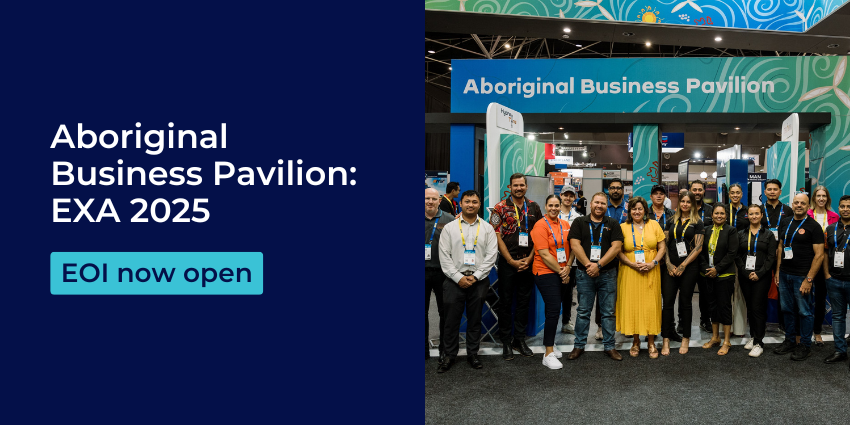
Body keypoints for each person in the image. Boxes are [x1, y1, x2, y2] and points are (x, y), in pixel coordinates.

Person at [437, 190, 498, 373]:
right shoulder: (449, 228)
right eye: (467, 201)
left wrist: (476, 276)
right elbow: (444, 257)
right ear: (461, 204)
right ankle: (449, 355)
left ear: (479, 205)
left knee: (474, 319)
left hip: (478, 281)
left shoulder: (487, 228)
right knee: (451, 321)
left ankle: (473, 354)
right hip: (453, 280)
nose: (470, 205)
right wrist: (459, 277)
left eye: (474, 201)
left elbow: (491, 255)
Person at [490, 173, 543, 360]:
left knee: (523, 302)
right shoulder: (499, 208)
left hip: (528, 261)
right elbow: (496, 237)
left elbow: (539, 236)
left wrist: (529, 259)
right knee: (505, 303)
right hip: (507, 262)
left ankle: (519, 340)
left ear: (526, 186)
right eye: (515, 185)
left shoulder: (534, 207)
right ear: (510, 187)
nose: (518, 188)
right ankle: (506, 341)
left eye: (521, 185)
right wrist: (511, 261)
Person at [567, 192, 625, 361]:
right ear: (590, 204)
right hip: (585, 274)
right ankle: (578, 345)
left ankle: (609, 346)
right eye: (597, 202)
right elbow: (574, 245)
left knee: (608, 312)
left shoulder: (613, 223)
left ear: (606, 206)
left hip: (608, 274)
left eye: (603, 203)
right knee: (583, 311)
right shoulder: (579, 222)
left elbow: (616, 247)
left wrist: (598, 265)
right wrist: (589, 265)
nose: (599, 206)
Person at [772, 192, 825, 361]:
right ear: (792, 204)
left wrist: (809, 279)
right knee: (787, 309)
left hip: (802, 276)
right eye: (796, 203)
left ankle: (805, 345)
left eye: (803, 203)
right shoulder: (785, 222)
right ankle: (789, 340)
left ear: (808, 206)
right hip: (785, 274)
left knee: (804, 312)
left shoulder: (814, 226)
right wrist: (779, 271)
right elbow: (780, 247)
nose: (799, 205)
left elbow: (819, 255)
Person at [616, 197, 666, 359]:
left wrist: (653, 263)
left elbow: (662, 246)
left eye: (640, 208)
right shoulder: (623, 227)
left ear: (645, 210)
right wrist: (631, 264)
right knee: (633, 305)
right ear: (629, 211)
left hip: (651, 271)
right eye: (633, 209)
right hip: (630, 271)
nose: (637, 212)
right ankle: (636, 341)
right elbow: (618, 251)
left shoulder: (654, 225)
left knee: (650, 305)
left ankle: (651, 342)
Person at [531, 195, 574, 369]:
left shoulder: (565, 225)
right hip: (545, 271)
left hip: (564, 271)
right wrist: (561, 271)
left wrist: (569, 266)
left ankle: (551, 343)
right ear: (546, 206)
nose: (554, 208)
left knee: (555, 310)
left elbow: (573, 247)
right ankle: (547, 353)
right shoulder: (540, 225)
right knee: (553, 309)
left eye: (557, 205)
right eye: (551, 205)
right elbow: (544, 253)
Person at [661, 191, 704, 355]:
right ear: (679, 203)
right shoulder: (671, 220)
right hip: (670, 266)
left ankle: (685, 338)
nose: (685, 204)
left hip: (689, 268)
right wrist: (669, 264)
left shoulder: (697, 222)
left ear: (692, 204)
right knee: (668, 303)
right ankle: (666, 339)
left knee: (686, 303)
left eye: (688, 202)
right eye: (683, 201)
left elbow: (698, 247)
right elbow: (664, 244)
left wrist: (683, 265)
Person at [734, 204, 777, 357]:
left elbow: (771, 257)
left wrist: (759, 273)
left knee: (758, 308)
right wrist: (746, 273)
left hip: (762, 276)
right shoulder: (740, 234)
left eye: (756, 214)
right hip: (745, 276)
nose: (754, 216)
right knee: (750, 308)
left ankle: (759, 342)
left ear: (761, 215)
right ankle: (753, 337)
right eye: (751, 214)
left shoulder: (769, 235)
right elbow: (737, 255)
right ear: (748, 216)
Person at [699, 204, 739, 355]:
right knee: (712, 306)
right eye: (716, 213)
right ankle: (715, 337)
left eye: (722, 213)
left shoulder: (731, 230)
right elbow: (701, 251)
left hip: (724, 275)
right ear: (712, 214)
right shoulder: (706, 230)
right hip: (708, 274)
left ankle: (726, 340)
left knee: (724, 307)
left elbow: (732, 253)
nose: (719, 216)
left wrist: (718, 269)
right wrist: (706, 269)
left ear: (726, 216)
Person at [425, 188, 455, 362]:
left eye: (433, 199)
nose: (430, 201)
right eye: (427, 198)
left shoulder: (449, 220)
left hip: (443, 274)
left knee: (445, 313)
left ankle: (445, 349)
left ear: (439, 200)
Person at [807, 185, 839, 346]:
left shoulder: (834, 217)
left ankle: (817, 332)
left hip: (826, 262)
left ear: (827, 199)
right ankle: (803, 333)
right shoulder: (807, 215)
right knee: (803, 299)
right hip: (807, 262)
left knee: (820, 299)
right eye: (818, 196)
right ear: (814, 198)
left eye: (824, 196)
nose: (821, 199)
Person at [650, 184, 682, 341]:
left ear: (665, 197)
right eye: (655, 194)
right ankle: (651, 330)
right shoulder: (644, 214)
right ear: (651, 197)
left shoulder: (672, 215)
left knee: (668, 299)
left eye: (661, 194)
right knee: (651, 298)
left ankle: (669, 329)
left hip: (667, 262)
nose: (658, 196)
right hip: (649, 262)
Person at [762, 179, 793, 332]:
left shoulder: (788, 210)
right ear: (765, 191)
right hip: (763, 256)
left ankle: (783, 323)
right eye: (769, 189)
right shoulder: (759, 210)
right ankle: (760, 324)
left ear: (780, 191)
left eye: (775, 189)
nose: (772, 191)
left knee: (783, 290)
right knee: (761, 289)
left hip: (784, 256)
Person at [823, 195, 850, 366]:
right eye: (842, 206)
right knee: (838, 316)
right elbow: (825, 252)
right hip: (834, 280)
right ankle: (840, 351)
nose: (846, 209)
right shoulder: (830, 228)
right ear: (838, 208)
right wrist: (826, 274)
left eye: (848, 206)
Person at [691, 179, 714, 334]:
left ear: (704, 191)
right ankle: (681, 322)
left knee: (706, 293)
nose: (697, 192)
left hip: (706, 256)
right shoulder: (685, 208)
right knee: (686, 292)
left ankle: (705, 320)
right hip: (688, 257)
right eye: (694, 189)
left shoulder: (711, 210)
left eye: (700, 190)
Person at [559, 185, 582, 335]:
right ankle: (551, 322)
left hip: (571, 262)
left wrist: (569, 263)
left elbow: (577, 242)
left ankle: (566, 322)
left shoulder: (578, 217)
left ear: (574, 198)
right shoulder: (553, 214)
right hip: (553, 262)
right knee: (554, 293)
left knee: (568, 294)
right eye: (565, 195)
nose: (568, 198)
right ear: (561, 196)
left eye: (571, 195)